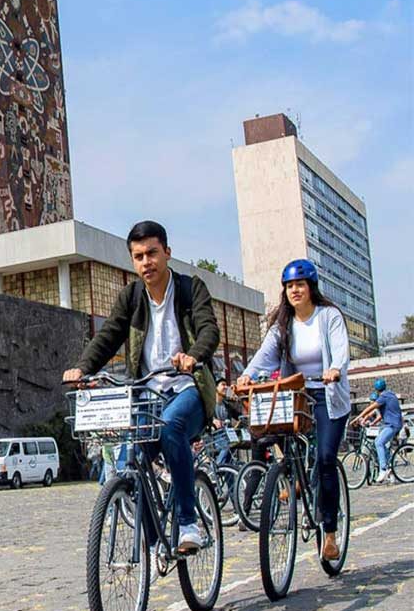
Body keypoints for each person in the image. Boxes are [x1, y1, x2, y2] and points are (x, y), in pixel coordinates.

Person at [63, 220, 220, 552]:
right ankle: (151, 544)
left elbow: (208, 330)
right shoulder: (131, 297)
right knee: (131, 456)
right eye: (138, 256)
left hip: (187, 388)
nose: (146, 262)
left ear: (167, 252)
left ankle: (189, 523)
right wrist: (82, 368)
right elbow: (108, 337)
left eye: (152, 253)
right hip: (146, 393)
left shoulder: (192, 289)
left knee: (171, 428)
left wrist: (193, 356)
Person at [237, 259, 350, 561]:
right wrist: (247, 374)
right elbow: (264, 356)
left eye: (300, 284)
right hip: (296, 398)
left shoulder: (329, 317)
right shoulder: (282, 326)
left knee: (325, 458)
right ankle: (293, 478)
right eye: (289, 286)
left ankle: (329, 533)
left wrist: (335, 368)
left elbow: (340, 349)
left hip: (328, 396)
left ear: (311, 287)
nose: (295, 290)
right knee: (281, 444)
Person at [352, 379, 404, 484]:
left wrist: (357, 418)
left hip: (392, 425)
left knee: (378, 442)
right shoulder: (390, 394)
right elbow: (372, 413)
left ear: (376, 390)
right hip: (393, 424)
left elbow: (370, 409)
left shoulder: (383, 397)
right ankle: (389, 466)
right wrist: (366, 419)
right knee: (381, 444)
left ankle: (383, 469)